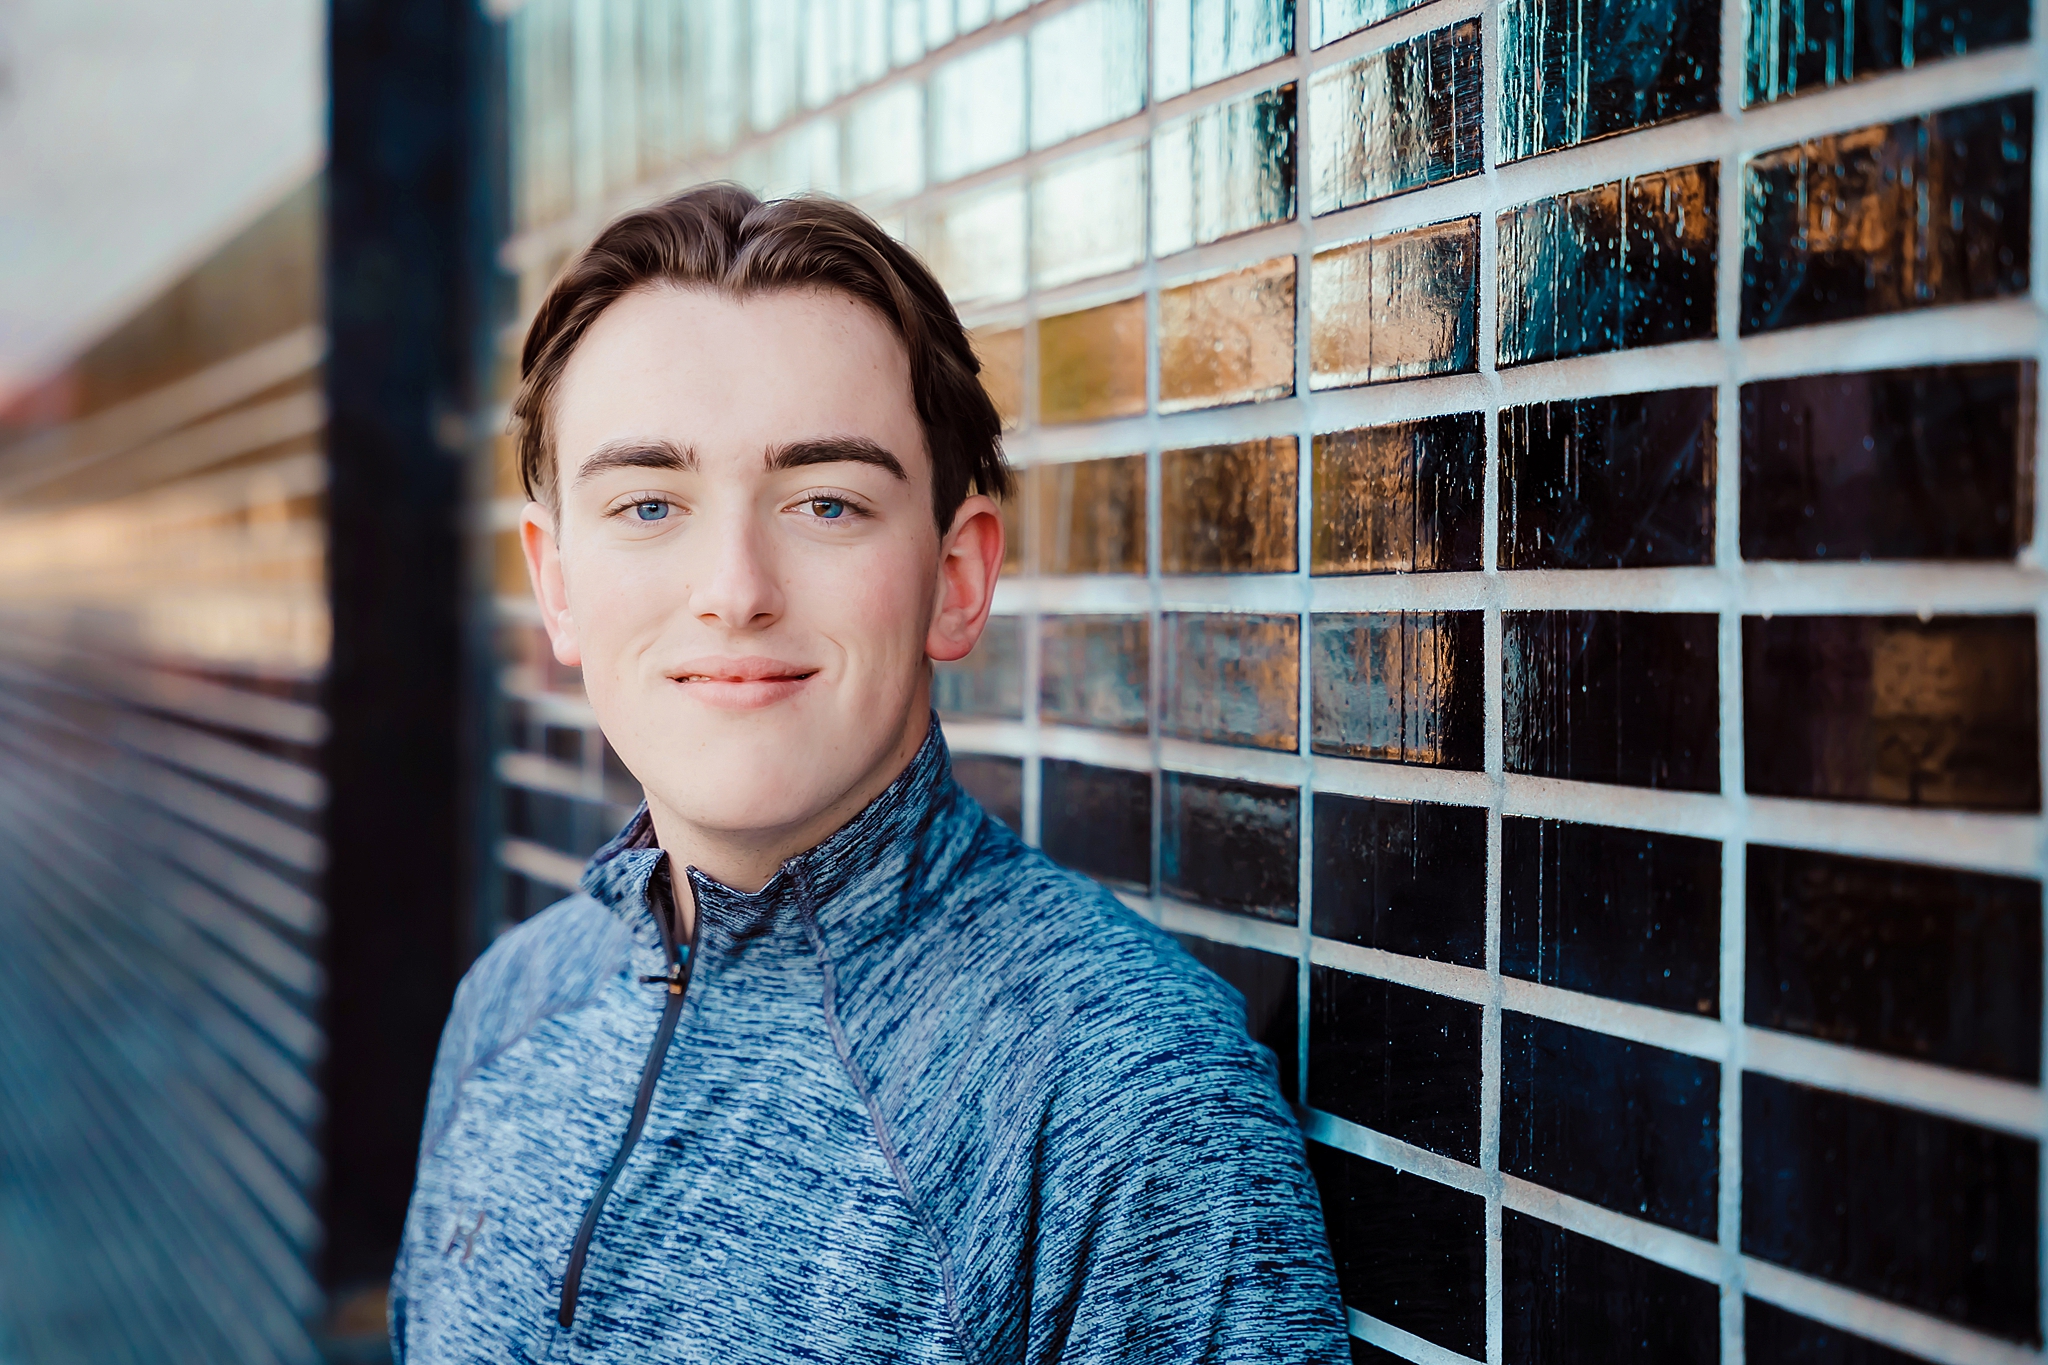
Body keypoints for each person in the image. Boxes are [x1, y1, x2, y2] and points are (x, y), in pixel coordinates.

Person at [389, 183, 1348, 1363]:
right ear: (557, 585)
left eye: (826, 503)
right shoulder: (508, 1006)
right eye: (646, 505)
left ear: (955, 579)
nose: (734, 590)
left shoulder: (1127, 1103)